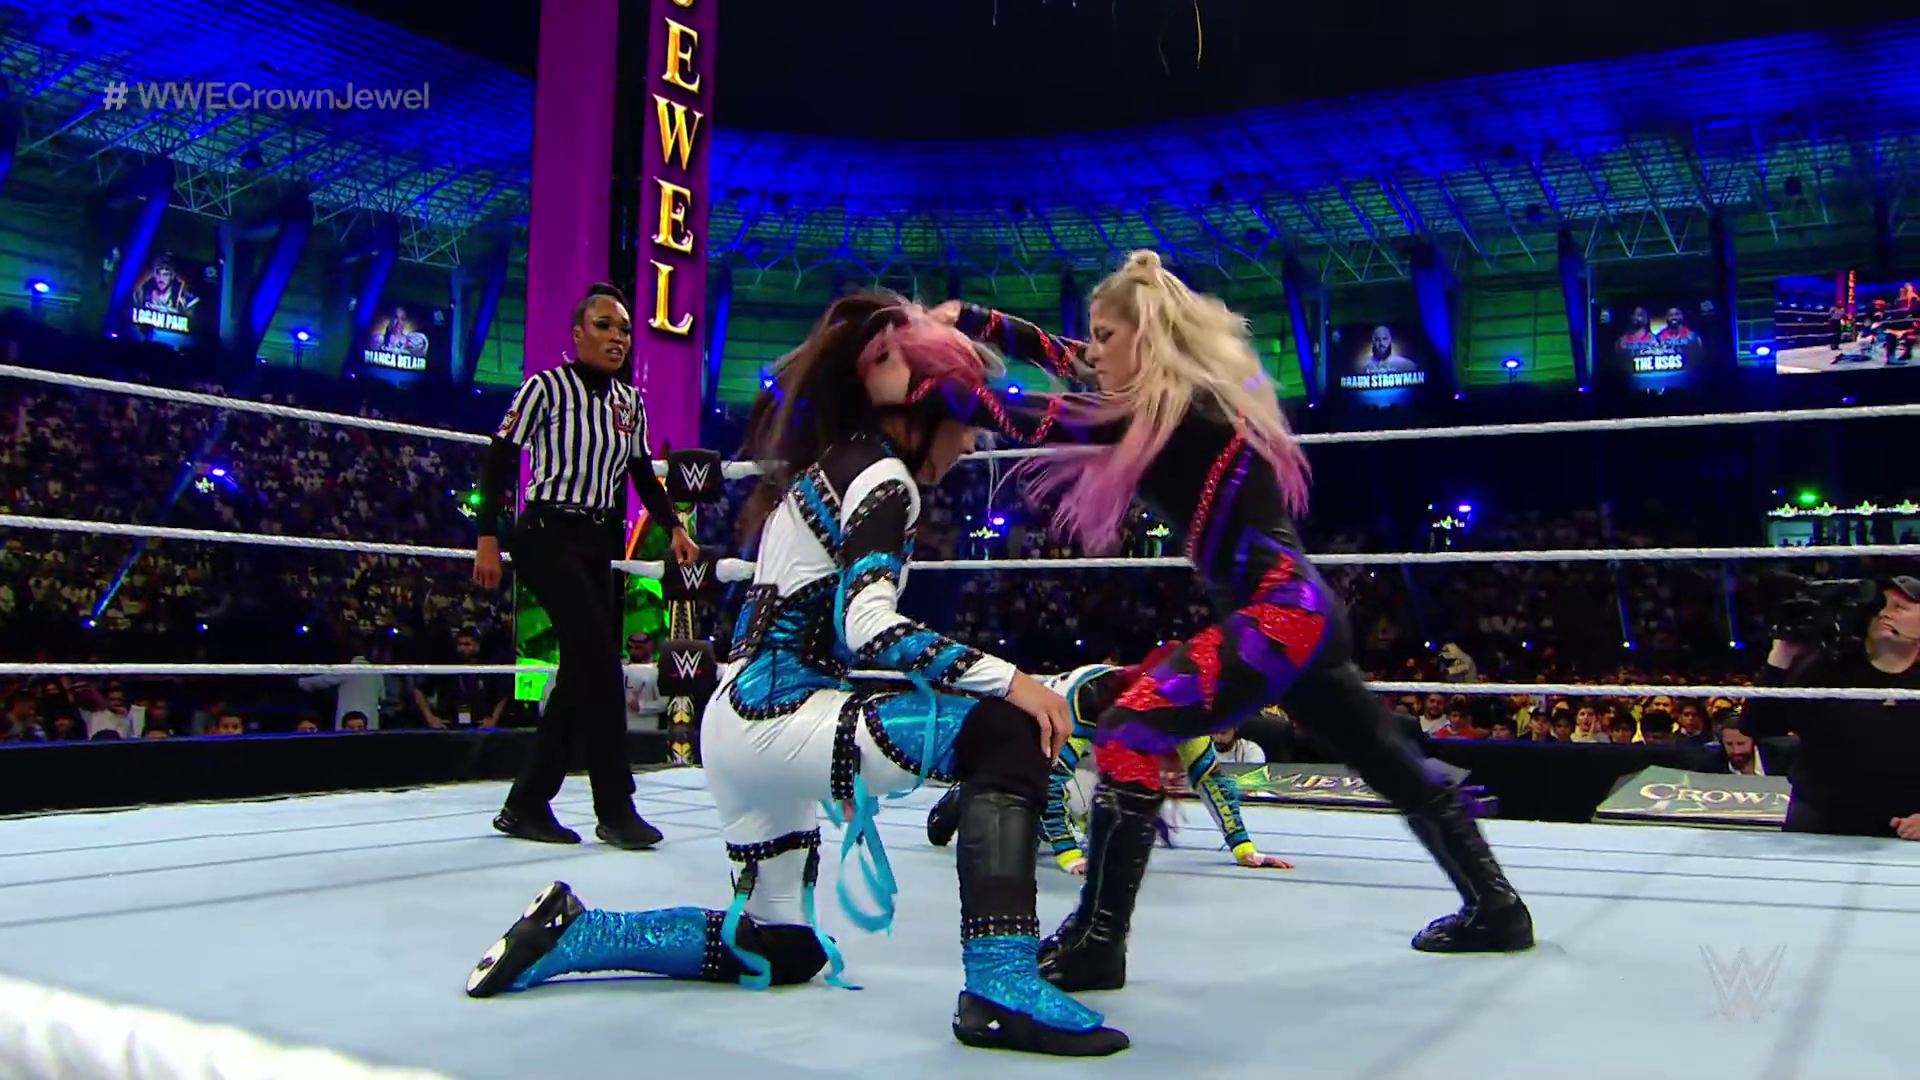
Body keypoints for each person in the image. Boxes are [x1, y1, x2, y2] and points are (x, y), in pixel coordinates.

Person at [462, 292, 1128, 1058]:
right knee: (1007, 729)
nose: (973, 441)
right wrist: (1012, 679)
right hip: (778, 717)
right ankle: (1000, 987)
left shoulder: (832, 465)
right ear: (923, 408)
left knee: (781, 944)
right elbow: (870, 625)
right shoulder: (885, 478)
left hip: (739, 723)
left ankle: (579, 933)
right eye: (965, 419)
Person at [935, 249, 1534, 994]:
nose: (1092, 352)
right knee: (1383, 757)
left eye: (1107, 335)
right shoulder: (1180, 395)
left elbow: (1040, 415)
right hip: (1302, 612)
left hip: (1279, 617)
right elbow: (1068, 359)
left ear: (1147, 336)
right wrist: (976, 321)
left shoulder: (1166, 408)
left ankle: (1097, 941)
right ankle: (1497, 907)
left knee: (1128, 730)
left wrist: (925, 384)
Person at [470, 282, 700, 851]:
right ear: (577, 334)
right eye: (604, 325)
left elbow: (642, 473)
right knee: (598, 662)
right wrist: (486, 536)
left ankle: (526, 803)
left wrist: (674, 526)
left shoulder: (630, 402)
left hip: (599, 540)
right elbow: (500, 458)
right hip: (547, 532)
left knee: (582, 670)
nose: (618, 337)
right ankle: (615, 806)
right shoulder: (545, 387)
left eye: (624, 329)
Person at [926, 664, 1292, 874]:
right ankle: (968, 794)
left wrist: (1244, 848)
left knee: (1120, 811)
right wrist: (1070, 856)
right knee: (1034, 815)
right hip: (1035, 738)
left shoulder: (1186, 715)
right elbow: (1051, 780)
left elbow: (1211, 781)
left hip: (1091, 755)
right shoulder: (1088, 703)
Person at [1738, 576, 1920, 838]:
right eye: (1880, 605)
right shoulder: (1829, 668)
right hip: (1819, 826)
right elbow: (1757, 724)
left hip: (1900, 830)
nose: (1884, 613)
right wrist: (1781, 656)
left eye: (1899, 607)